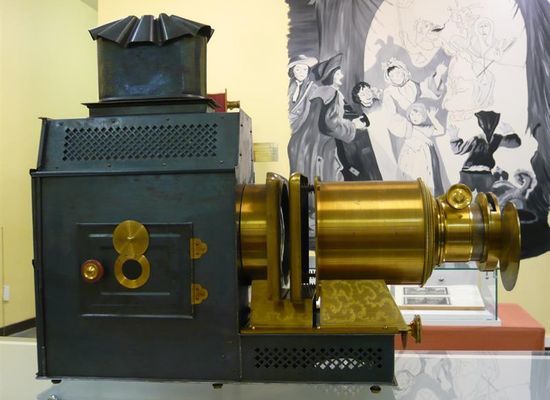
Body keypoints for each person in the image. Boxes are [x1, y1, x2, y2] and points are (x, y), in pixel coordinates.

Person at [288, 53, 366, 182]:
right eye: (338, 73)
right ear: (331, 75)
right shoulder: (331, 92)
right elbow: (330, 124)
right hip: (319, 150)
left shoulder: (320, 92)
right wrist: (353, 126)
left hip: (304, 146)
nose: (342, 76)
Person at [450, 110, 521, 193]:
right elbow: (458, 150)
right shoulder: (478, 139)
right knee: (460, 194)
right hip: (471, 172)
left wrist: (510, 132)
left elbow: (515, 143)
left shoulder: (494, 139)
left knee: (490, 196)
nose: (489, 127)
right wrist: (454, 136)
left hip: (484, 174)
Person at [397, 103, 447, 195]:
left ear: (423, 116)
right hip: (410, 157)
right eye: (412, 114)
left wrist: (432, 117)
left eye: (418, 115)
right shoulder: (407, 127)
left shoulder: (426, 129)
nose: (415, 117)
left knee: (425, 178)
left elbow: (441, 130)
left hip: (424, 157)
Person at [287, 55, 318, 134]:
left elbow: (309, 113)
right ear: (292, 71)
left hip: (302, 125)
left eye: (305, 69)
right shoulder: (289, 85)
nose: (302, 73)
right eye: (298, 69)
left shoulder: (312, 88)